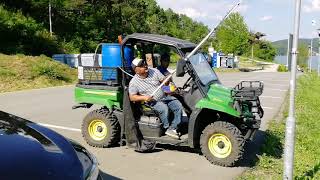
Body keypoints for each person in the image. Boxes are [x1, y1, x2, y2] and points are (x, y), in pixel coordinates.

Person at [129, 58, 182, 139]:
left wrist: (167, 81)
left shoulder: (154, 71)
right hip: (151, 102)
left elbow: (164, 83)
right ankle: (166, 128)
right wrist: (144, 97)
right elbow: (132, 97)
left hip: (164, 97)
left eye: (145, 64)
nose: (145, 66)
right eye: (142, 66)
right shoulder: (134, 82)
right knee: (164, 108)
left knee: (178, 105)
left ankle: (173, 128)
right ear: (136, 70)